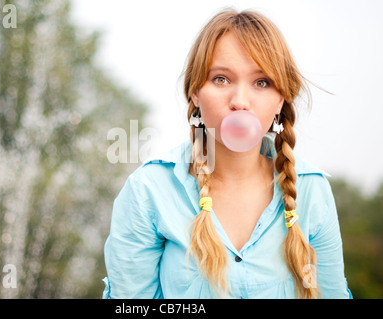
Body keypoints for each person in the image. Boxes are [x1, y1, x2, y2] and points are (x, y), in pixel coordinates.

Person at [102, 8, 351, 299]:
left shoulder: (312, 190)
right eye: (221, 79)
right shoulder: (148, 191)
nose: (240, 101)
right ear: (195, 92)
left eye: (262, 82)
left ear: (280, 99)